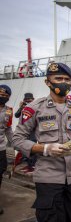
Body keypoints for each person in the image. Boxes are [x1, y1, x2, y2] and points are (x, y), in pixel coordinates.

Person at [12, 62, 71, 222]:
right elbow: (17, 139)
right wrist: (44, 148)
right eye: (59, 78)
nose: (63, 82)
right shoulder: (35, 108)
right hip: (48, 178)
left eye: (67, 79)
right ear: (48, 82)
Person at [14, 93, 36, 173]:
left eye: (29, 100)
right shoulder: (23, 107)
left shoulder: (35, 107)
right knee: (25, 148)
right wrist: (21, 107)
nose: (27, 101)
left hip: (33, 131)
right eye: (26, 100)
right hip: (24, 131)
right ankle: (28, 165)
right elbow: (16, 115)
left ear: (33, 99)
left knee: (32, 148)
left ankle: (32, 166)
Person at [0, 84, 13, 215]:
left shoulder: (9, 110)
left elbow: (8, 128)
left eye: (5, 95)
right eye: (1, 94)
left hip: (1, 149)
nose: (2, 97)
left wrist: (16, 142)